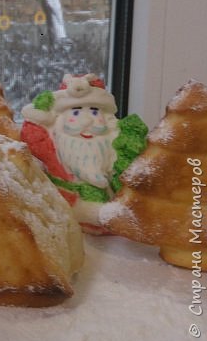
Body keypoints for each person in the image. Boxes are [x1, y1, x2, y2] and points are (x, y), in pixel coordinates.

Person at [21, 73, 147, 234]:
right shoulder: (52, 143)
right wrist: (41, 108)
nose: (87, 121)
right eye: (76, 113)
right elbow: (31, 133)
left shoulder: (120, 140)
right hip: (66, 209)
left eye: (95, 112)